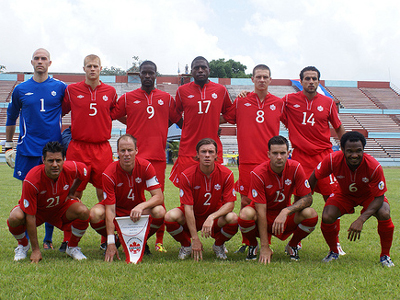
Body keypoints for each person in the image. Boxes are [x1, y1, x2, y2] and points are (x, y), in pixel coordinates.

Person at [6, 48, 67, 250]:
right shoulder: (20, 89)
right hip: (27, 150)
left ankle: (48, 239)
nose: (40, 61)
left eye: (44, 59)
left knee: (52, 195)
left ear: (50, 63)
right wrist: (8, 146)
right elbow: (11, 116)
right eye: (37, 58)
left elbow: (72, 110)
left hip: (53, 153)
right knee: (28, 197)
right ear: (31, 62)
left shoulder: (60, 88)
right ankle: (24, 244)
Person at [111, 61, 175, 253]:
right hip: (134, 157)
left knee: (158, 200)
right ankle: (124, 235)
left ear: (156, 75)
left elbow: (174, 118)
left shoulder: (166, 98)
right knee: (131, 199)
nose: (148, 76)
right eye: (144, 73)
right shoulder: (128, 97)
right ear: (139, 75)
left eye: (151, 73)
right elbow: (114, 114)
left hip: (157, 156)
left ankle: (158, 241)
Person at [281, 66, 346, 254]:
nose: (311, 82)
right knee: (300, 199)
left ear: (318, 82)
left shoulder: (327, 102)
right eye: (307, 78)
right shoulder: (288, 100)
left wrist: (345, 150)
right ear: (300, 81)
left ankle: (336, 242)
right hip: (300, 157)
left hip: (324, 157)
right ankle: (296, 241)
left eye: (314, 79)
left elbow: (339, 128)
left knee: (332, 199)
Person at [308, 131, 395, 267]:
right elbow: (314, 176)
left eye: (358, 151)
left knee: (384, 212)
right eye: (349, 151)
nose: (354, 155)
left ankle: (385, 256)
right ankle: (333, 252)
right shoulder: (332, 159)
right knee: (327, 215)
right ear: (342, 150)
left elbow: (379, 197)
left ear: (363, 150)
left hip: (369, 196)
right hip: (344, 194)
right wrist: (307, 197)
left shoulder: (374, 166)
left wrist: (361, 220)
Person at [223, 64, 283, 253]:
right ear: (252, 79)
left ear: (270, 79)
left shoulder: (279, 103)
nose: (262, 80)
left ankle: (268, 243)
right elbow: (226, 117)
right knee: (245, 202)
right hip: (247, 161)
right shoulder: (241, 101)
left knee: (268, 203)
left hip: (269, 162)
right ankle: (248, 243)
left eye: (265, 77)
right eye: (258, 77)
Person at [62, 54, 117, 251]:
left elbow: (113, 112)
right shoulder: (72, 90)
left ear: (101, 68)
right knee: (73, 191)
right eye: (89, 66)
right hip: (78, 147)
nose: (92, 69)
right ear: (83, 68)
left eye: (95, 66)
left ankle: (106, 238)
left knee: (105, 192)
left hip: (102, 147)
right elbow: (60, 111)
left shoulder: (110, 91)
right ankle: (67, 238)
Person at [238, 136, 318, 263]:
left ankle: (293, 245)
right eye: (275, 153)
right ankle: (254, 245)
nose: (279, 157)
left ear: (288, 153)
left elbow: (308, 199)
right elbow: (260, 211)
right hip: (263, 215)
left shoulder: (296, 167)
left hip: (283, 215)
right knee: (245, 214)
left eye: (282, 153)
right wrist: (265, 247)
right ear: (268, 154)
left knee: (311, 214)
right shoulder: (258, 173)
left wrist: (286, 211)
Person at [7, 141, 90, 262]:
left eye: (58, 160)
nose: (55, 165)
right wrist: (36, 250)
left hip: (59, 209)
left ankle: (72, 247)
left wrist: (72, 192)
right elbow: (30, 215)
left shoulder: (71, 168)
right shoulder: (32, 179)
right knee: (14, 217)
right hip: (38, 212)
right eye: (51, 161)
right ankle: (23, 245)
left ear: (64, 159)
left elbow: (84, 172)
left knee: (83, 211)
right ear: (43, 160)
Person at [89, 134, 165, 262]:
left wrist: (141, 206)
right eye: (122, 150)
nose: (126, 154)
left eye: (130, 150)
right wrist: (110, 241)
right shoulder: (109, 173)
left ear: (136, 151)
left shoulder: (146, 166)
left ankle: (142, 240)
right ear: (117, 151)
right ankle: (117, 240)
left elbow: (158, 197)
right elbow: (110, 210)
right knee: (94, 214)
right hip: (117, 209)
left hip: (137, 210)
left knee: (160, 211)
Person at [165, 138, 238, 261]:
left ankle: (218, 245)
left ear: (216, 154)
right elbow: (188, 207)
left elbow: (230, 204)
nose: (207, 155)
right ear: (197, 154)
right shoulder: (187, 175)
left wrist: (211, 217)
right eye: (203, 152)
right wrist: (195, 239)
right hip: (193, 215)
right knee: (169, 216)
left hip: (214, 218)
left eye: (211, 152)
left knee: (233, 218)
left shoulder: (227, 174)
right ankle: (186, 245)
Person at [168, 56, 233, 187]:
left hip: (213, 148)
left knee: (215, 186)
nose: (200, 70)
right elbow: (175, 113)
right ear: (191, 71)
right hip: (188, 148)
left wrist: (214, 121)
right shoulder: (182, 91)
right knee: (187, 186)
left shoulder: (221, 90)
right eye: (196, 68)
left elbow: (230, 113)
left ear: (209, 70)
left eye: (203, 67)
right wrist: (184, 125)